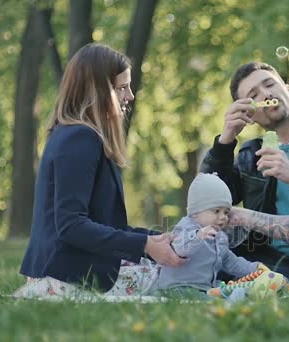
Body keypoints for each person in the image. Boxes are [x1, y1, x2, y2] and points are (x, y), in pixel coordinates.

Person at [19, 43, 185, 292]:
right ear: (97, 91)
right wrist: (145, 245)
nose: (130, 96)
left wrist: (153, 239)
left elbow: (106, 225)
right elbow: (71, 226)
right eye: (122, 88)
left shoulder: (72, 135)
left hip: (67, 271)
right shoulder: (79, 138)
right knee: (187, 279)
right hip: (65, 278)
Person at [200, 62, 289, 280]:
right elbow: (206, 200)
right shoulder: (250, 154)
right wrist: (226, 139)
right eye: (254, 94)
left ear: (288, 89)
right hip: (272, 263)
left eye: (269, 84)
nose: (266, 94)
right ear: (248, 114)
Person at [151, 173, 266, 296]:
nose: (223, 217)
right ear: (196, 212)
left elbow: (232, 262)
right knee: (211, 299)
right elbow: (180, 248)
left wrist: (255, 268)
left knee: (219, 292)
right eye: (216, 211)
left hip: (204, 288)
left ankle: (233, 299)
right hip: (178, 287)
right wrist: (198, 235)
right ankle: (229, 302)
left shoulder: (219, 237)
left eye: (226, 212)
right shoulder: (186, 227)